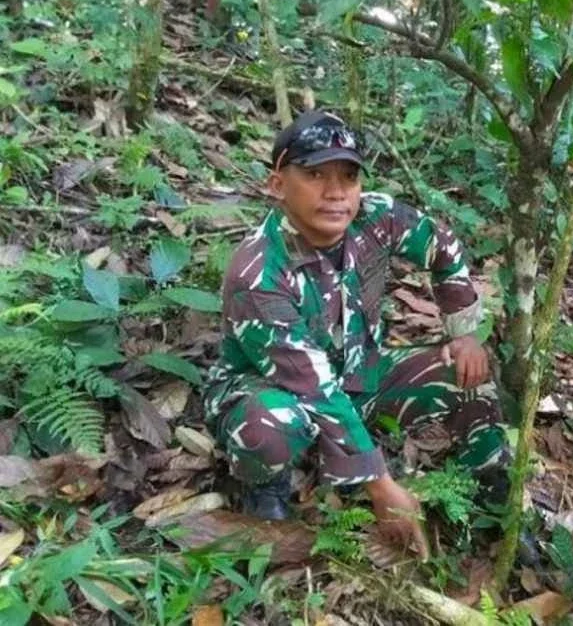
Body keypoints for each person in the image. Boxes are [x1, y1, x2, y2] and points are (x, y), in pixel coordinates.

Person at [204, 110, 510, 558]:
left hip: (359, 376)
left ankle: (493, 504)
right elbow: (312, 386)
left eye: (348, 177)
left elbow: (442, 245)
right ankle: (265, 489)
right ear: (277, 185)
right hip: (279, 392)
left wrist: (463, 332)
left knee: (468, 373)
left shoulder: (376, 217)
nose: (335, 193)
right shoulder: (258, 271)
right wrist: (382, 488)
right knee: (268, 426)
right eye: (314, 174)